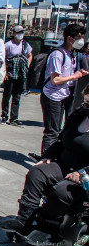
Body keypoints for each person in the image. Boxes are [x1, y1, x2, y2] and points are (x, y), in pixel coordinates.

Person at [0, 84, 89, 240]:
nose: (85, 106)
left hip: (84, 176)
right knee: (37, 173)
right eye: (85, 102)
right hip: (65, 164)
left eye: (88, 104)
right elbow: (61, 139)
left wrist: (83, 173)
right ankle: (24, 220)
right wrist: (48, 155)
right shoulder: (80, 115)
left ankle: (47, 226)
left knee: (62, 192)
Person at [39, 24, 89, 155]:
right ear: (69, 38)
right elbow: (55, 80)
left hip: (65, 95)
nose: (81, 40)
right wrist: (75, 76)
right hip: (53, 96)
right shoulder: (57, 54)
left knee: (63, 129)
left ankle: (54, 155)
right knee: (52, 131)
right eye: (79, 37)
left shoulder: (72, 54)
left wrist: (79, 74)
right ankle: (46, 158)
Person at [0, 25, 33, 127]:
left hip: (20, 74)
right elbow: (3, 58)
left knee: (17, 97)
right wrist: (4, 72)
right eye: (18, 32)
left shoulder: (25, 45)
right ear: (13, 33)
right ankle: (4, 116)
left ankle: (14, 117)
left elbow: (30, 55)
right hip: (10, 74)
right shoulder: (8, 45)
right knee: (7, 96)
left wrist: (26, 67)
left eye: (22, 32)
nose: (20, 34)